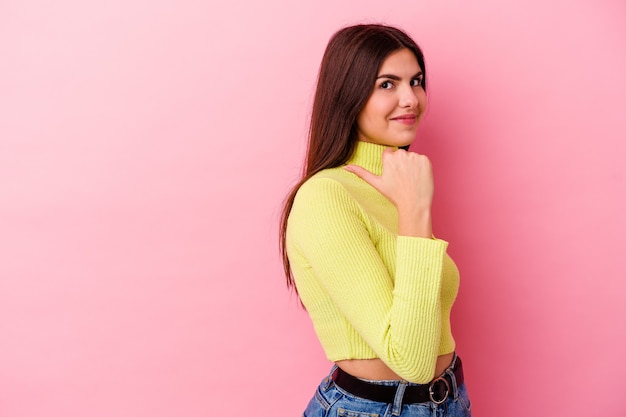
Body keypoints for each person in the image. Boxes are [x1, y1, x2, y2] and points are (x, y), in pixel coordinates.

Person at [279, 24, 471, 417]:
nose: (410, 99)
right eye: (387, 84)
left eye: (416, 81)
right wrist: (415, 211)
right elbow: (412, 362)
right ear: (348, 94)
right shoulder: (326, 196)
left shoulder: (398, 185)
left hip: (449, 400)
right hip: (374, 409)